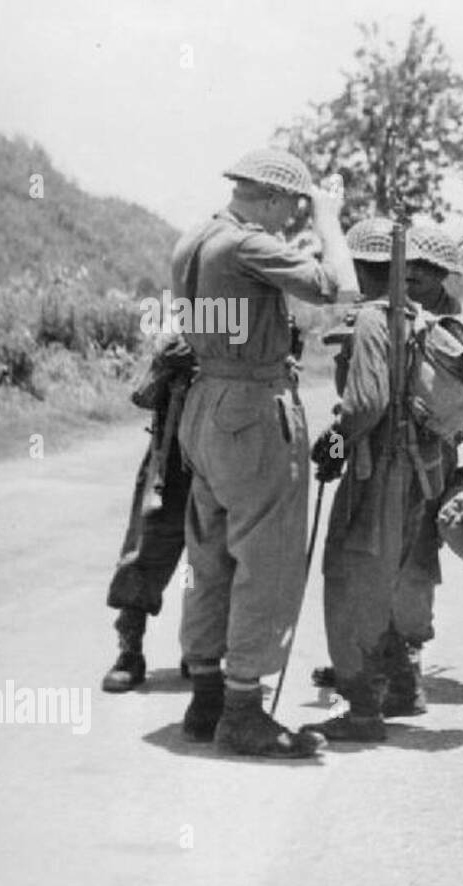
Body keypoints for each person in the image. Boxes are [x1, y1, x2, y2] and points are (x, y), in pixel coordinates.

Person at [175, 148, 357, 758]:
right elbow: (341, 287)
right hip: (251, 409)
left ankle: (206, 697)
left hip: (205, 402)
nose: (296, 219)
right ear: (275, 199)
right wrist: (330, 220)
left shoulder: (197, 238)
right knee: (268, 553)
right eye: (296, 207)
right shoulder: (249, 246)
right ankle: (244, 711)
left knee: (211, 553)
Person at [304, 219, 463, 741]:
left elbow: (364, 405)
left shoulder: (375, 320)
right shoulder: (424, 321)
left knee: (352, 577)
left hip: (380, 469)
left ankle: (363, 708)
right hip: (424, 469)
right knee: (394, 572)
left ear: (364, 269)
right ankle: (403, 688)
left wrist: (334, 445)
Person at [101, 335, 194, 692]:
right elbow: (142, 394)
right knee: (144, 552)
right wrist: (168, 360)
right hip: (169, 462)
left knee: (219, 559)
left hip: (225, 461)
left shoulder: (253, 321)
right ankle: (129, 651)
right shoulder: (181, 331)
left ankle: (205, 652)